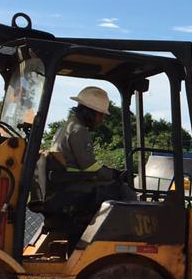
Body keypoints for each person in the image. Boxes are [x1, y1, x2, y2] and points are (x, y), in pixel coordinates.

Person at [45, 86, 135, 225]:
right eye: (101, 115)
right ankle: (129, 235)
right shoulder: (79, 131)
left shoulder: (66, 127)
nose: (101, 119)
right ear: (91, 113)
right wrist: (115, 174)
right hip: (76, 188)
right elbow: (90, 168)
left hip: (64, 186)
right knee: (123, 190)